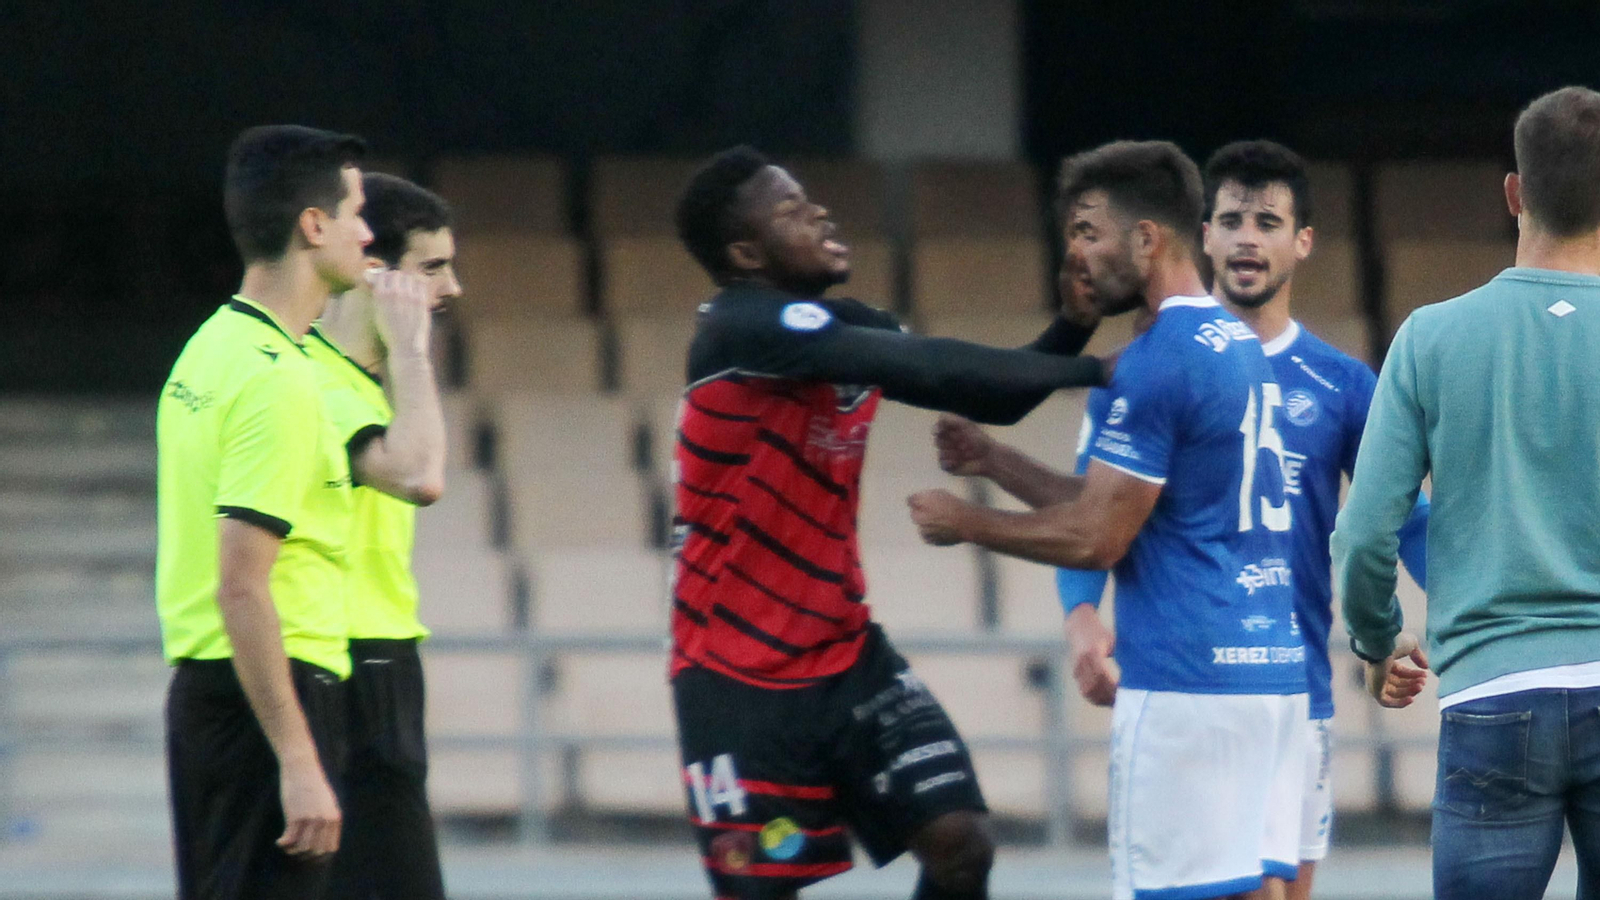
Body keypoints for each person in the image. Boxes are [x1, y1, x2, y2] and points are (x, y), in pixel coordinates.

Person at [936, 139, 1431, 899]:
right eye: (1229, 218)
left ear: (1303, 241)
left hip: (1265, 683)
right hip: (1253, 677)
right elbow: (1099, 499)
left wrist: (1466, 610)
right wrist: (1080, 618)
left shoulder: (1327, 381)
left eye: (1267, 221)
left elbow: (1405, 516)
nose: (1245, 238)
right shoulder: (1174, 360)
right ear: (1201, 232)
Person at [669, 145, 1106, 900]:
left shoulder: (841, 327)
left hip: (846, 656)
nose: (819, 213)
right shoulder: (737, 330)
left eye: (811, 199)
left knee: (960, 842)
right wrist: (1106, 369)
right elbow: (938, 368)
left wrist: (1071, 329)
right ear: (745, 253)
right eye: (790, 210)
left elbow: (986, 393)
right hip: (736, 677)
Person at [1335, 85, 1600, 900]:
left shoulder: (1430, 337)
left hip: (1493, 694)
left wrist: (1378, 644)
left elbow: (1363, 537)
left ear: (1514, 192)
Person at [155, 124, 370, 898]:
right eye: (356, 211)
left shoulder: (207, 349)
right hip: (269, 694)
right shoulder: (279, 379)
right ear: (314, 226)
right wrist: (299, 758)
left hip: (206, 693)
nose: (368, 233)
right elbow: (242, 584)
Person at [311, 173, 456, 900]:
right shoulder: (321, 385)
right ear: (376, 273)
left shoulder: (363, 389)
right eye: (432, 268)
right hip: (348, 666)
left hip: (381, 657)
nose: (452, 288)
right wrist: (409, 351)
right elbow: (422, 476)